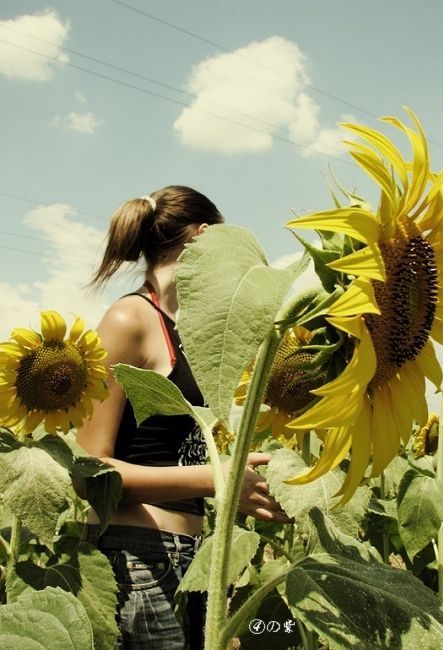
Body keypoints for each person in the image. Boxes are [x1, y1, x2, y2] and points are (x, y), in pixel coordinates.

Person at [76, 185, 290, 650]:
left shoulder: (191, 331)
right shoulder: (129, 318)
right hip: (135, 558)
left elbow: (184, 458)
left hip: (193, 562)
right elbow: (89, 471)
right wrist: (218, 479)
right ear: (205, 236)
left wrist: (240, 486)